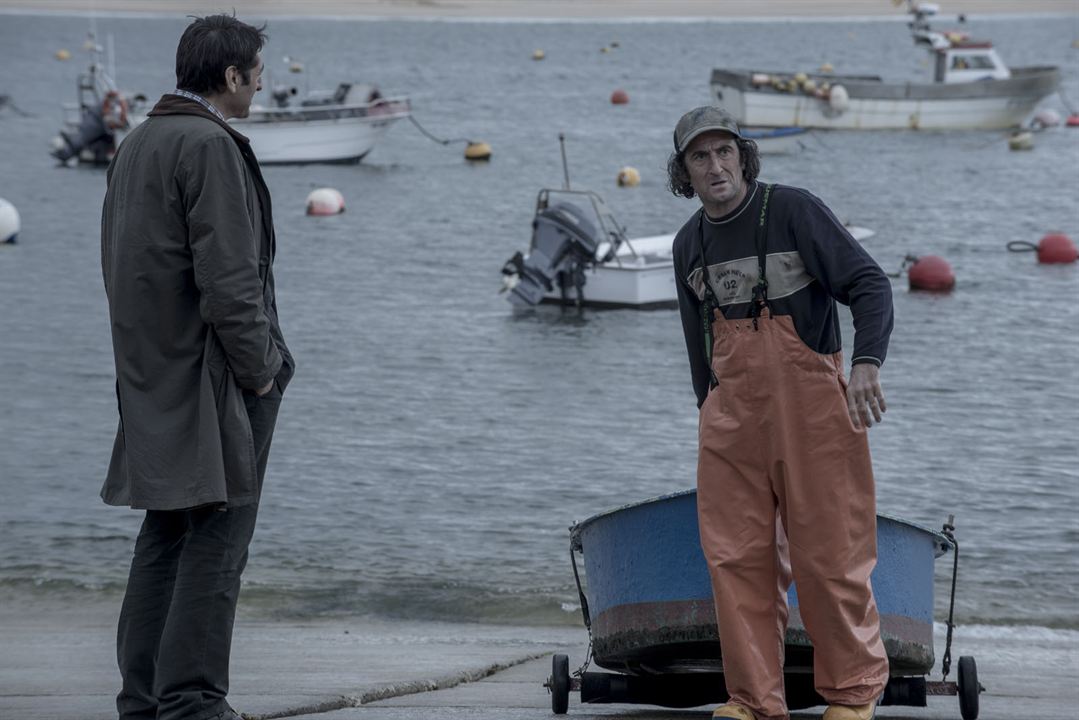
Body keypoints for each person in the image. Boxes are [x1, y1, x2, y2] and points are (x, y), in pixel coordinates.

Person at [668, 106, 894, 720]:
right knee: (735, 560)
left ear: (743, 156)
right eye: (699, 157)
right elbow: (701, 348)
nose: (715, 166)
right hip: (730, 419)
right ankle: (752, 700)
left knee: (830, 554)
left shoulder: (793, 210)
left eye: (724, 152)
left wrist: (867, 362)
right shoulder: (688, 243)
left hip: (815, 411)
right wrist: (709, 412)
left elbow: (871, 286)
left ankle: (851, 696)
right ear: (684, 172)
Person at [100, 15, 293, 720]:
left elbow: (124, 269)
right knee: (218, 539)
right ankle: (193, 702)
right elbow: (231, 282)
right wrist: (262, 371)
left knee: (166, 530)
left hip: (151, 372)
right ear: (231, 75)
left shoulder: (138, 141)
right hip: (215, 376)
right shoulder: (210, 145)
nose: (262, 84)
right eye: (256, 72)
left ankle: (144, 699)